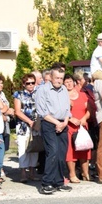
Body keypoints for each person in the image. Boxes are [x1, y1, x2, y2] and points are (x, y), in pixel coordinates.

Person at [34, 67, 71, 195]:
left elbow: (67, 108)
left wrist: (64, 122)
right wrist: (57, 123)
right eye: (57, 78)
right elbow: (42, 112)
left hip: (63, 123)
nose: (59, 81)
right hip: (49, 123)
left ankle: (59, 181)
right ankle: (47, 183)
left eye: (61, 78)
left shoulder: (64, 90)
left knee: (61, 154)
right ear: (51, 77)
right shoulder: (43, 90)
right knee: (53, 151)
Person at [65, 74, 92, 183]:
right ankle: (72, 174)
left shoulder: (82, 95)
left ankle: (85, 173)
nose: (69, 84)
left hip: (82, 125)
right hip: (69, 126)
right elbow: (61, 111)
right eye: (66, 82)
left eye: (70, 81)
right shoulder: (63, 96)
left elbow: (89, 110)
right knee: (70, 151)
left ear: (74, 82)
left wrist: (84, 118)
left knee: (84, 149)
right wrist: (71, 119)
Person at [13, 73, 39, 182]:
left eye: (32, 83)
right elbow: (17, 111)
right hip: (23, 125)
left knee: (35, 147)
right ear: (24, 84)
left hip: (37, 124)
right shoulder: (18, 94)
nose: (31, 85)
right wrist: (29, 121)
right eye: (28, 83)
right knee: (23, 148)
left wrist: (36, 123)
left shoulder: (39, 93)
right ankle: (23, 172)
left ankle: (32, 171)